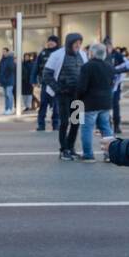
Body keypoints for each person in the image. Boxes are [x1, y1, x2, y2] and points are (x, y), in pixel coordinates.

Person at [43, 33, 88, 161]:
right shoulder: (57, 55)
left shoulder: (83, 55)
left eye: (80, 43)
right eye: (76, 43)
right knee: (64, 122)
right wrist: (58, 89)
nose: (78, 45)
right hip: (63, 95)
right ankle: (63, 150)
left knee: (76, 122)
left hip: (78, 95)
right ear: (69, 43)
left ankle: (71, 147)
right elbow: (47, 74)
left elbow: (86, 72)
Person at [77, 42, 114, 161]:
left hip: (89, 103)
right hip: (105, 102)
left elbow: (82, 87)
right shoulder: (109, 66)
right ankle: (109, 154)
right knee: (106, 128)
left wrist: (77, 98)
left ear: (92, 53)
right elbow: (111, 84)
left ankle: (88, 154)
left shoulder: (87, 66)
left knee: (86, 128)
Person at [32, 36, 60, 130]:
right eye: (49, 41)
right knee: (43, 104)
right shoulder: (43, 53)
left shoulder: (60, 53)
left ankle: (56, 124)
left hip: (56, 83)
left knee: (56, 105)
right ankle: (41, 124)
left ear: (56, 43)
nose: (50, 43)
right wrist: (33, 80)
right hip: (44, 83)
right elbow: (36, 67)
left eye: (52, 41)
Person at [0, 47, 16, 115]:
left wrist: (12, 57)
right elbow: (0, 70)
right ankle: (6, 109)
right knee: (6, 96)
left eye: (5, 51)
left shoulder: (10, 59)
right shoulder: (2, 60)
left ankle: (10, 109)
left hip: (9, 80)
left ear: (8, 52)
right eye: (2, 51)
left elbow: (12, 68)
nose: (3, 53)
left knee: (9, 95)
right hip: (3, 81)